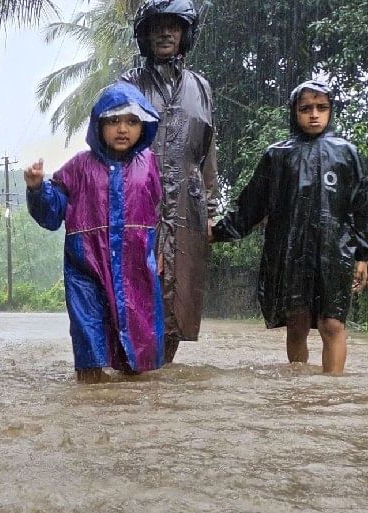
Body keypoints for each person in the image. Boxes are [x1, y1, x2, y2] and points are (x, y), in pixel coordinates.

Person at [211, 80, 368, 375]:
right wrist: (217, 232)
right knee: (297, 321)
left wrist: (362, 255)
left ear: (331, 111)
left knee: (333, 322)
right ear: (294, 112)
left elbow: (361, 208)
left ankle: (332, 389)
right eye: (306, 108)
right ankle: (298, 388)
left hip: (334, 253)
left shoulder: (347, 154)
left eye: (322, 108)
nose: (314, 115)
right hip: (290, 252)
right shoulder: (278, 156)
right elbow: (252, 205)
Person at [25, 82, 165, 382]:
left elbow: (161, 210)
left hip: (135, 267)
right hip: (85, 268)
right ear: (99, 125)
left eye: (131, 121)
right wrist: (37, 189)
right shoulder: (78, 167)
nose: (122, 129)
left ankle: (131, 414)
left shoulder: (149, 164)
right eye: (113, 121)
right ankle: (91, 403)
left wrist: (162, 249)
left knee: (136, 348)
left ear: (144, 127)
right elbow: (52, 214)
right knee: (90, 342)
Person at [120, 0, 217, 365]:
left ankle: (163, 374)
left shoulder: (201, 87)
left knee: (180, 300)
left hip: (188, 207)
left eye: (173, 26)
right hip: (139, 201)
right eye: (157, 26)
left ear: (184, 34)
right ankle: (135, 373)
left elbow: (209, 154)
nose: (165, 33)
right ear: (145, 34)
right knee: (138, 289)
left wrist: (211, 211)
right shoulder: (129, 84)